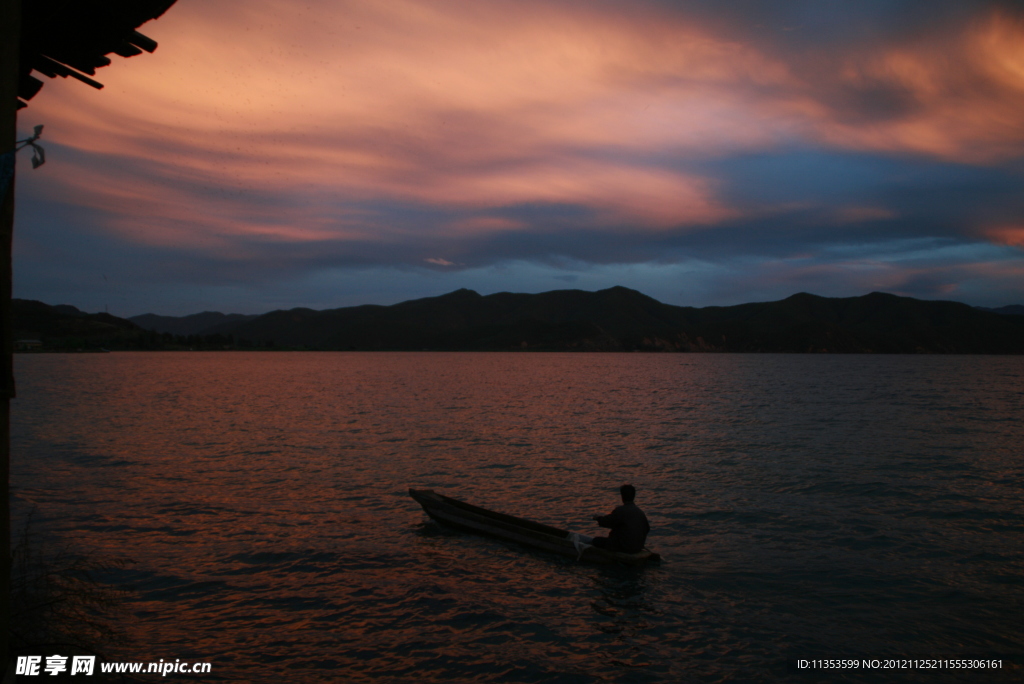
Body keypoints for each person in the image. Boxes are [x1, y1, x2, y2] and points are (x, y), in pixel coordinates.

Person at [591, 484, 650, 553]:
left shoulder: (620, 510)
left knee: (596, 541)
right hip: (637, 547)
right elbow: (647, 529)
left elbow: (607, 521)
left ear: (622, 497)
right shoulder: (640, 513)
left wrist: (598, 518)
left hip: (623, 547)